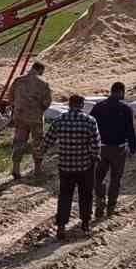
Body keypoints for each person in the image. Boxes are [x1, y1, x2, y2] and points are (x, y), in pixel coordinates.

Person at [42, 93, 102, 239]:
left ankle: (61, 226)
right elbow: (95, 143)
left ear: (69, 105)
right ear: (82, 105)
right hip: (84, 166)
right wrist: (95, 157)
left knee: (64, 196)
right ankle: (85, 224)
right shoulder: (89, 121)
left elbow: (48, 140)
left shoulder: (59, 120)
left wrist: (41, 151)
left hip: (65, 167)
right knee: (85, 195)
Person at [90, 81, 136, 221]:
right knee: (115, 179)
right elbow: (130, 130)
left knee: (98, 178)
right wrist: (133, 148)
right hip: (118, 149)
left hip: (101, 148)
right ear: (121, 92)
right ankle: (111, 208)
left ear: (111, 91)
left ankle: (100, 201)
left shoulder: (98, 107)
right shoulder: (125, 109)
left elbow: (91, 125)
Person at [8, 61, 53, 179]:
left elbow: (10, 96)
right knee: (37, 143)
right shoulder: (43, 84)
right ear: (40, 70)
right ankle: (37, 169)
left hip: (20, 117)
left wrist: (17, 107)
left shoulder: (18, 80)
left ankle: (16, 169)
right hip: (36, 118)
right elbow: (47, 102)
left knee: (19, 142)